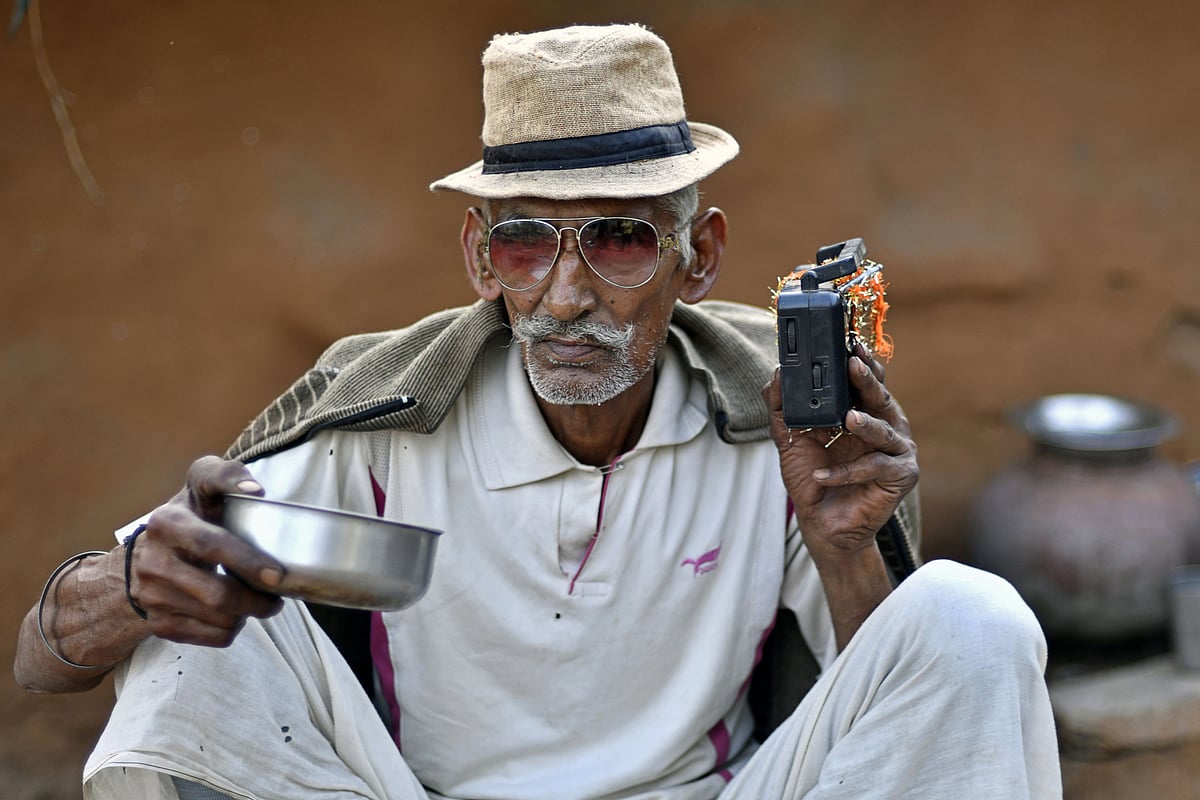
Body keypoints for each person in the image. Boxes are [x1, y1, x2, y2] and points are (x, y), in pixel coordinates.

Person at [14, 22, 1061, 800]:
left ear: (698, 257)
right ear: (480, 259)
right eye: (525, 242)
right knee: (191, 623)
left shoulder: (772, 421)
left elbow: (891, 712)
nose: (566, 295)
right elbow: (40, 655)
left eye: (618, 240)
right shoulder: (382, 423)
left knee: (971, 616)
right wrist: (138, 580)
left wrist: (844, 544)